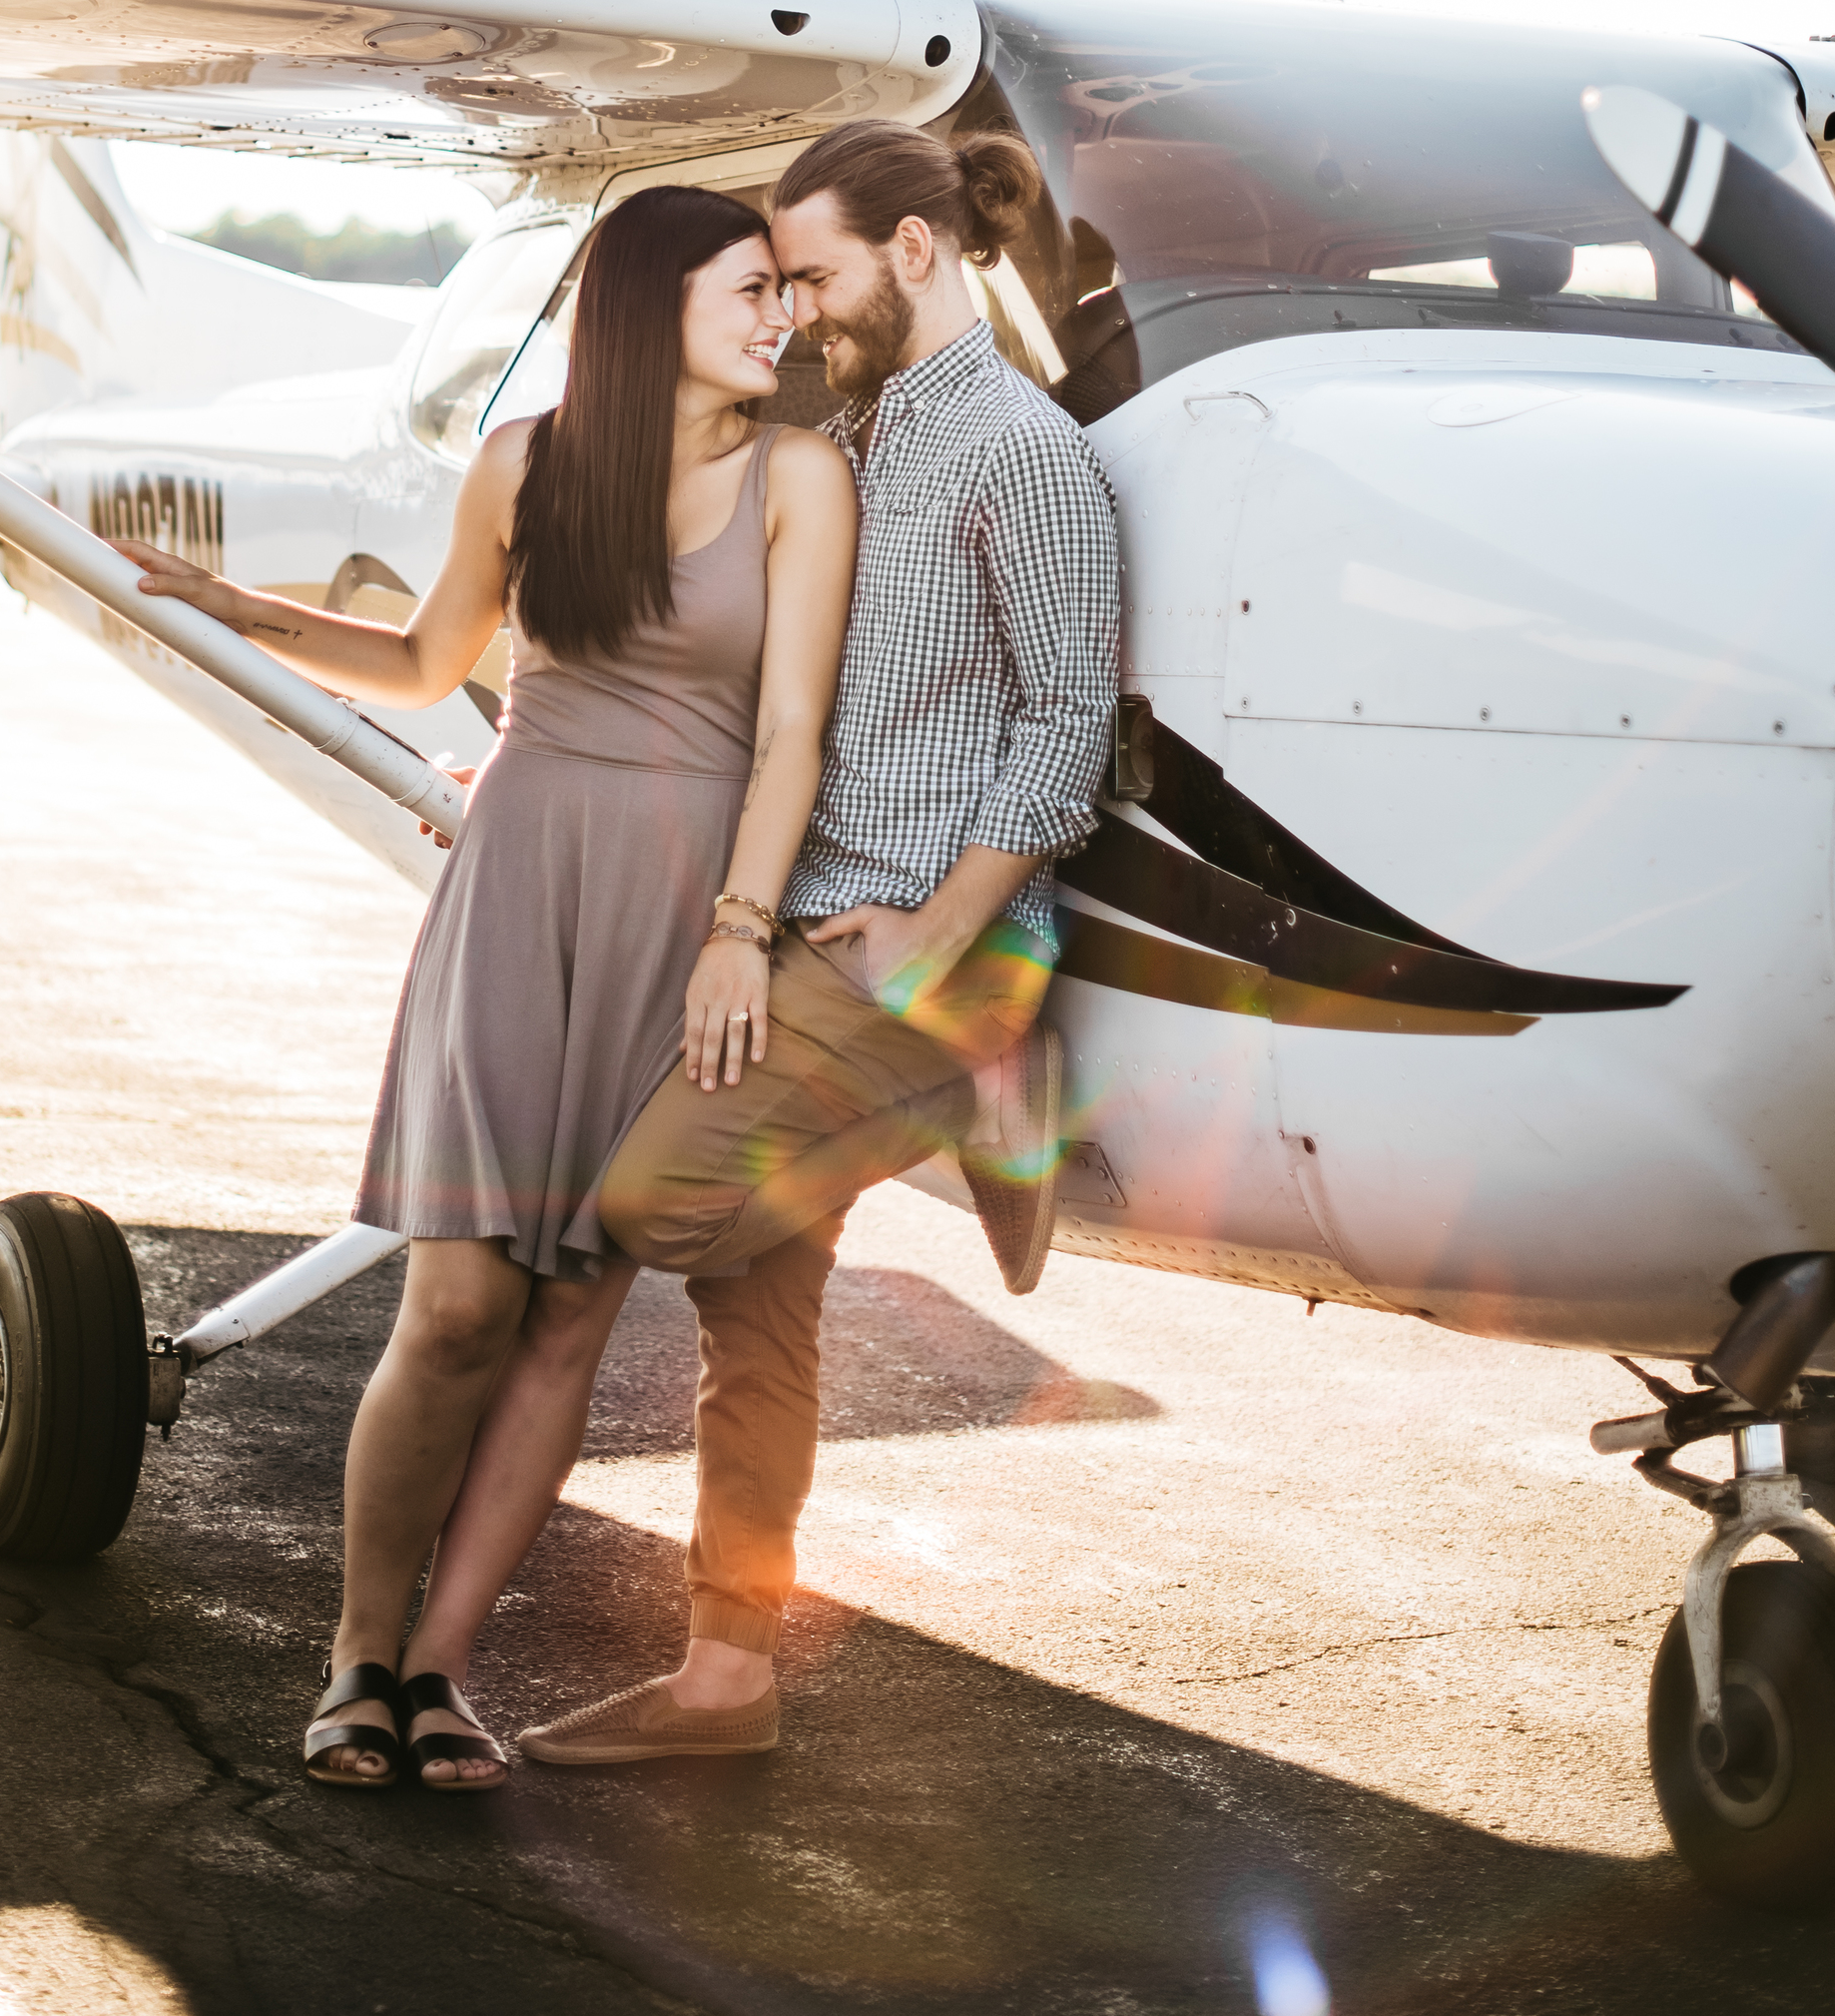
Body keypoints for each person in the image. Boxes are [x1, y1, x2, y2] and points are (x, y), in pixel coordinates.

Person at [116, 185, 857, 1793]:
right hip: (521, 886)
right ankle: (353, 1656)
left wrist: (742, 921)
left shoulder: (802, 475)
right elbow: (423, 658)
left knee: (572, 1310)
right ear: (653, 296)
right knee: (457, 1303)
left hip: (684, 921)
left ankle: (442, 1669)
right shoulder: (525, 461)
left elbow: (791, 727)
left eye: (783, 294)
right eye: (749, 288)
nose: (778, 317)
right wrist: (238, 612)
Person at [517, 120, 1121, 1771]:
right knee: (756, 1322)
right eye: (778, 281)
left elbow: (1070, 728)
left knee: (654, 1201)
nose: (797, 307)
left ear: (917, 250)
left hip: (939, 950)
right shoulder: (844, 436)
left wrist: (938, 933)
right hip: (812, 931)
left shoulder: (1020, 450)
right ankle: (727, 1675)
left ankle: (988, 1084)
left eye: (819, 274)